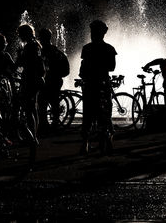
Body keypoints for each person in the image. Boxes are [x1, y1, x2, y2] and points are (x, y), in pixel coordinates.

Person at [78, 20, 117, 155]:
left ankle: (85, 144)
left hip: (90, 84)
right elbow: (111, 67)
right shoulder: (110, 49)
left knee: (88, 114)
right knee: (105, 113)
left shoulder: (87, 48)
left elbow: (83, 67)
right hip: (103, 83)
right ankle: (107, 139)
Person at [16, 24, 46, 139]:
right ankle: (34, 134)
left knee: (29, 109)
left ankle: (33, 136)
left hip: (30, 79)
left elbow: (23, 63)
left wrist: (19, 55)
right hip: (38, 79)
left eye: (20, 34)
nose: (19, 36)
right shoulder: (37, 45)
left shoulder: (29, 46)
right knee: (33, 108)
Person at [37, 28, 70, 135]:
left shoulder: (46, 51)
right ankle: (52, 124)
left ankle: (48, 125)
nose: (40, 39)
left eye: (41, 37)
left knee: (44, 102)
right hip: (56, 79)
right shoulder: (55, 50)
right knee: (51, 102)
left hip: (51, 80)